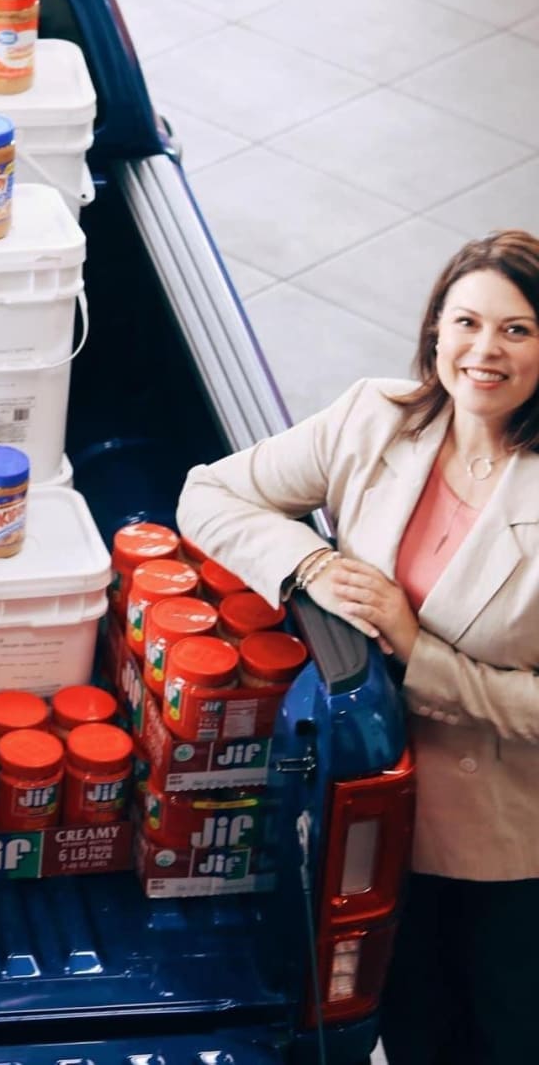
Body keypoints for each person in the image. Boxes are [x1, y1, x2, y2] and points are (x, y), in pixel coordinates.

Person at [176, 231, 539, 1064]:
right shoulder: (376, 418)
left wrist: (418, 651)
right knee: (405, 1026)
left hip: (502, 846)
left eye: (516, 330)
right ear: (435, 331)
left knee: (500, 1030)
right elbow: (210, 490)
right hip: (368, 812)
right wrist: (308, 562)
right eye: (467, 323)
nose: (484, 351)